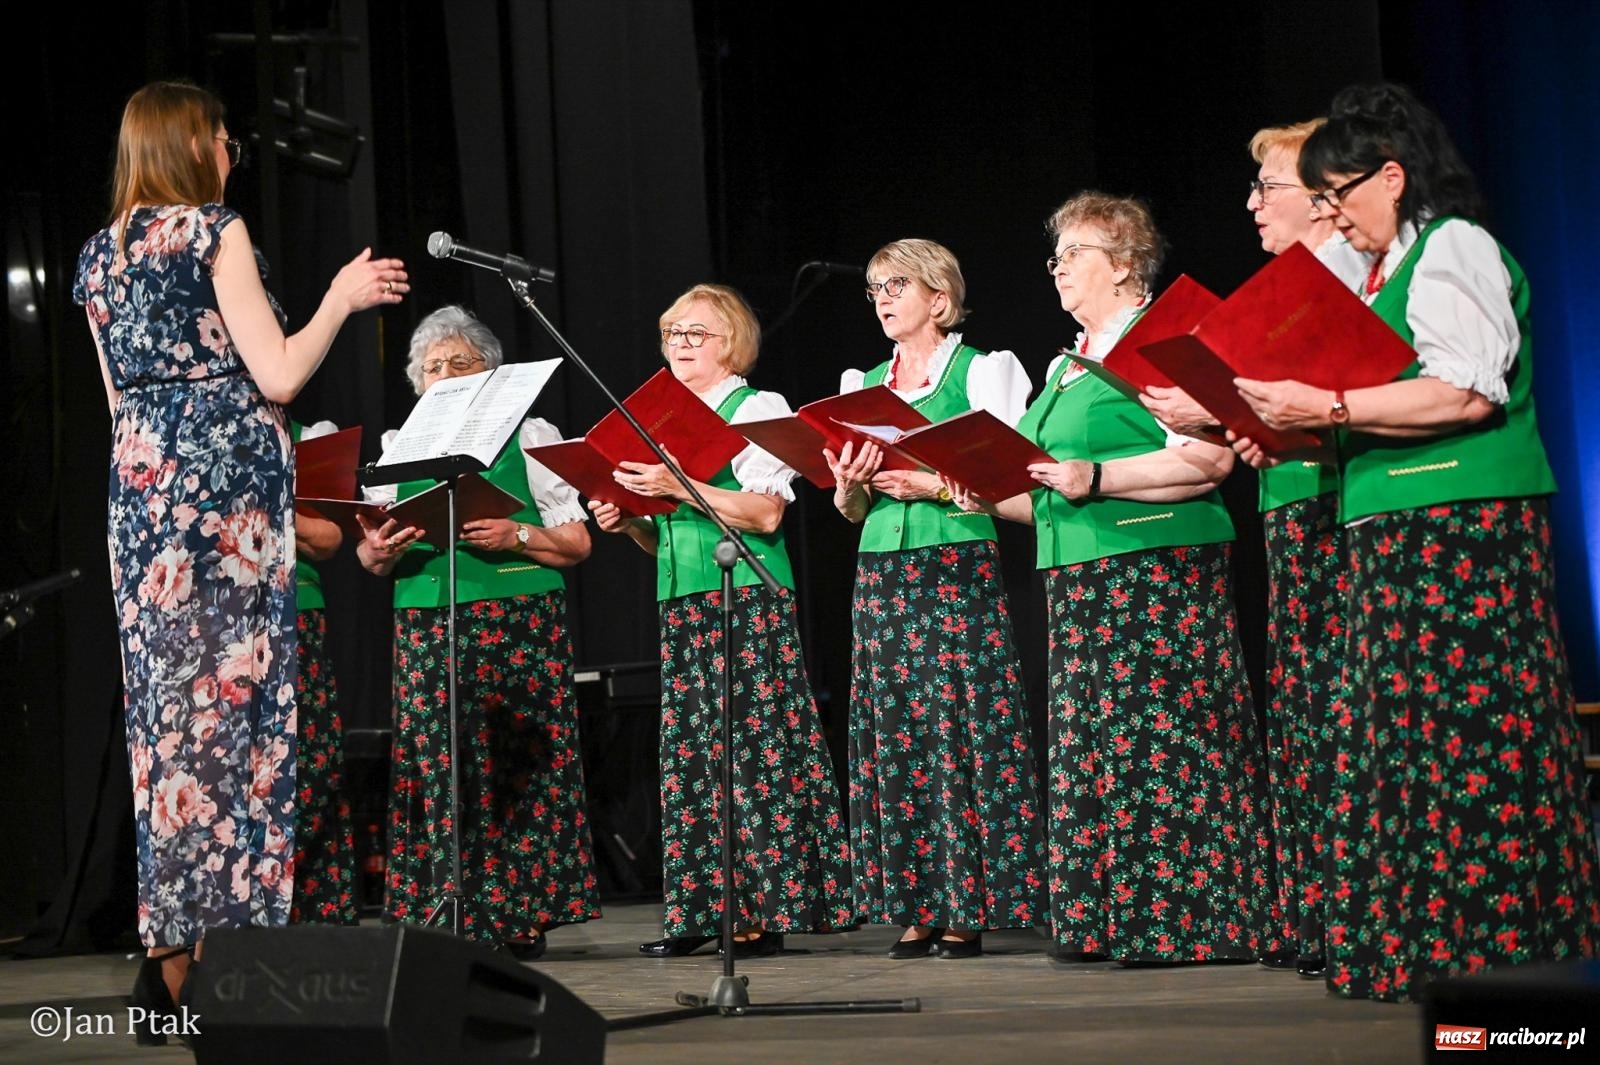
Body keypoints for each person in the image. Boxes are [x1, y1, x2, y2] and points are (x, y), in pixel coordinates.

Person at [1229, 82, 1600, 1003]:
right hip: (1392, 536)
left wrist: (1328, 406)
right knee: (1403, 751)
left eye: (1340, 195)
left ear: (1392, 177)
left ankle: (1501, 952)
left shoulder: (1452, 245)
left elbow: (1467, 389)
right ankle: (1425, 945)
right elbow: (1376, 407)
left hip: (1460, 532)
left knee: (1471, 741)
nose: (1334, 216)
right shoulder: (1381, 270)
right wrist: (1295, 429)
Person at [71, 80, 405, 1044]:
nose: (230, 155)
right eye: (224, 140)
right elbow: (281, 373)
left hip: (144, 508)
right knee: (235, 723)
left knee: (168, 737)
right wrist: (340, 299)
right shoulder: (213, 231)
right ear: (193, 145)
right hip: (222, 516)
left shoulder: (98, 255)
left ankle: (175, 955)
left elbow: (119, 404)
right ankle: (227, 968)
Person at [951, 193, 1273, 965]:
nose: (1058, 267)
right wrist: (979, 491)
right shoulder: (1065, 366)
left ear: (1125, 264)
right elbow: (1049, 495)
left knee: (1164, 742)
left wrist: (1096, 475)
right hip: (1079, 580)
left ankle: (1193, 920)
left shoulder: (1163, 340)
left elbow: (1209, 460)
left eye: (1075, 253)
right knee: (1097, 750)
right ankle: (1113, 917)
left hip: (1155, 572)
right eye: (1055, 255)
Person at [1145, 120, 1372, 977]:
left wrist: (1216, 408)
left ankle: (1356, 915)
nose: (1251, 205)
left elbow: (1347, 395)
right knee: (1304, 716)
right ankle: (1314, 915)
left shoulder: (1353, 281)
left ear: (1321, 197)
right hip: (1288, 511)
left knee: (1344, 711)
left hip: (1343, 509)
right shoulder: (1278, 291)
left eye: (1266, 188)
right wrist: (1214, 410)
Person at [591, 283, 852, 958]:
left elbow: (764, 513)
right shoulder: (655, 422)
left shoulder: (755, 408)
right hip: (684, 603)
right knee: (695, 761)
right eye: (672, 333)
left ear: (731, 342)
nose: (680, 344)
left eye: (695, 333)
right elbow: (666, 535)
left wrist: (675, 484)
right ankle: (704, 912)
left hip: (746, 600)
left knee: (751, 753)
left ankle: (762, 912)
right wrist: (630, 522)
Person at [355, 305, 600, 958]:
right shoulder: (398, 446)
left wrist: (516, 533)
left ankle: (519, 911)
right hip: (427, 623)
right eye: (432, 366)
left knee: (514, 764)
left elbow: (577, 543)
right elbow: (371, 560)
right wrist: (378, 551)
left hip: (516, 619)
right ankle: (442, 907)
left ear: (490, 373)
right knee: (440, 764)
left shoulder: (531, 434)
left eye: (458, 362)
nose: (443, 373)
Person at [826, 239, 1044, 959]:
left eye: (897, 285)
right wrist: (849, 488)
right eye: (875, 288)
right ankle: (914, 902)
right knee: (897, 732)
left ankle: (967, 902)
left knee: (959, 724)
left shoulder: (983, 370)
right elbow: (853, 511)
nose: (883, 299)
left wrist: (929, 484)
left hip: (956, 564)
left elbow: (1011, 478)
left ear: (939, 298)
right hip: (881, 573)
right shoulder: (860, 381)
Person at [288, 421, 359, 926]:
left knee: (310, 764)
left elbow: (329, 538)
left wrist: (271, 500)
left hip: (294, 615)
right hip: (218, 618)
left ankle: (313, 908)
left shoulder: (307, 436)